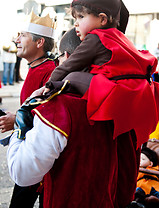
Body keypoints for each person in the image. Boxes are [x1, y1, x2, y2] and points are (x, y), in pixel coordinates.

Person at [7, 26, 139, 208]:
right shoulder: (128, 101)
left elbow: (22, 172)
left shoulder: (60, 106)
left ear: (68, 57)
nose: (57, 63)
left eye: (59, 57)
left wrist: (20, 127)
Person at [45, 0, 159, 148]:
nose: (76, 24)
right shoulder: (118, 36)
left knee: (71, 77)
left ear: (102, 19)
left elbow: (68, 65)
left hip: (119, 91)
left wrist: (48, 85)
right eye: (75, 19)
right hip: (136, 91)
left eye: (81, 17)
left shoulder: (95, 38)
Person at [0, 11, 56, 208]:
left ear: (39, 43)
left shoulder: (49, 71)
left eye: (22, 35)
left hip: (38, 157)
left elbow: (50, 116)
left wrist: (16, 118)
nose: (17, 39)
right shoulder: (35, 67)